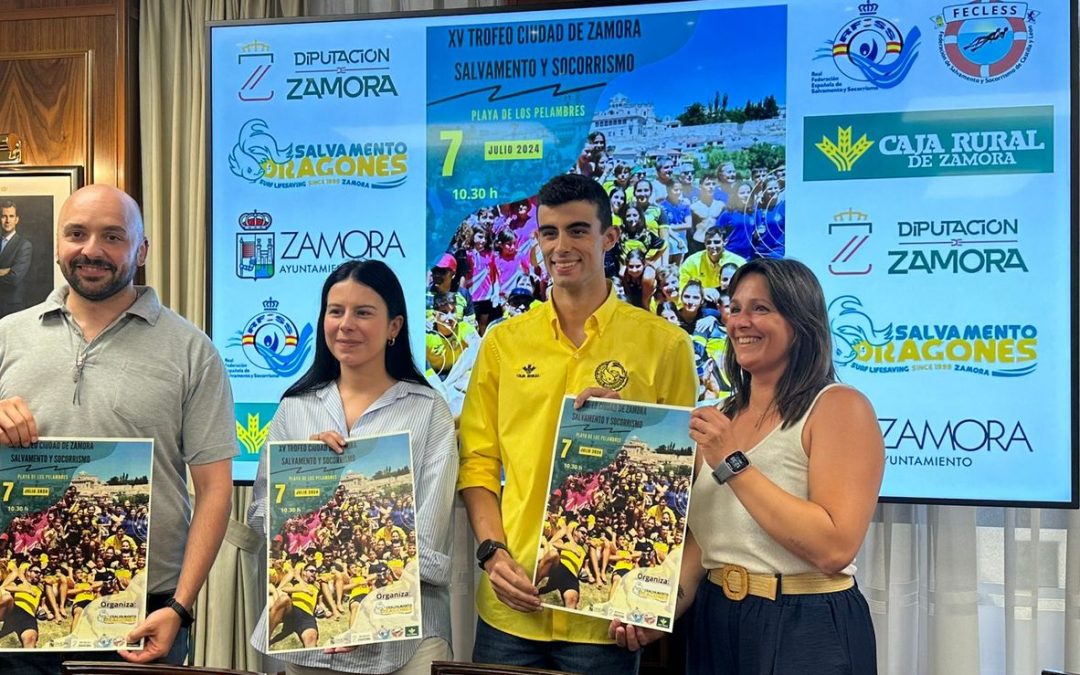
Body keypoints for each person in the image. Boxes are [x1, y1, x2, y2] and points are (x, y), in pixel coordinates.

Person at [458, 173, 697, 674]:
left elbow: (683, 478)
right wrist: (491, 553)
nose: (561, 246)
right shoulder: (503, 344)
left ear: (609, 238)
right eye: (549, 232)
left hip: (605, 611)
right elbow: (479, 461)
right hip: (512, 603)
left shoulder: (665, 345)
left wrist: (632, 433)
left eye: (577, 230)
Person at [0, 184, 235, 671]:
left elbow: (214, 489)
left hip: (144, 612)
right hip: (15, 594)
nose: (92, 250)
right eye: (77, 234)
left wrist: (180, 606)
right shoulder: (6, 337)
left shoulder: (193, 351)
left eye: (113, 236)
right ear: (59, 244)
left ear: (142, 250)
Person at [612, 258, 884, 674]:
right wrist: (654, 611)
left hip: (805, 622)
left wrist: (733, 463)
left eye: (761, 308)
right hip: (715, 618)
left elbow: (834, 547)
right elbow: (706, 546)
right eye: (735, 308)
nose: (741, 321)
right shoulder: (718, 417)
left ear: (801, 322)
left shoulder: (839, 407)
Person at [247, 259, 458, 674]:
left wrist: (358, 615)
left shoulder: (428, 408)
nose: (346, 324)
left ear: (394, 326)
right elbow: (259, 519)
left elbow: (428, 543)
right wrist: (304, 477)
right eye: (335, 310)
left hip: (406, 642)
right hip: (313, 648)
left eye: (364, 312)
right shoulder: (296, 408)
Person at [0, 199, 33, 318]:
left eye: (11, 216)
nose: (7, 220)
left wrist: (10, 272)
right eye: (4, 216)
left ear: (16, 219)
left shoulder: (24, 245)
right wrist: (3, 271)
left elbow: (14, 278)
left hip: (11, 307)